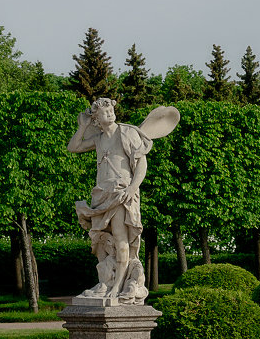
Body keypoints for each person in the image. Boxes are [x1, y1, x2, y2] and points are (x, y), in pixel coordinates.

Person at [67, 98, 178, 304]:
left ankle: (118, 286)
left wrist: (133, 188)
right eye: (104, 112)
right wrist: (82, 127)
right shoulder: (99, 138)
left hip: (122, 193)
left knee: (121, 238)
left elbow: (141, 162)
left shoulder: (127, 132)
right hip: (101, 195)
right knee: (100, 241)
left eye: (111, 110)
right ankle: (107, 282)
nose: (109, 114)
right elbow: (73, 147)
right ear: (96, 119)